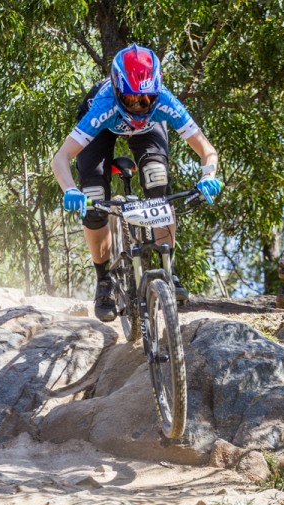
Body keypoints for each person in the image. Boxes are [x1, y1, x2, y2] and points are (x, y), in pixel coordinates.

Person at [52, 43, 222, 322]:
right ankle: (104, 280)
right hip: (103, 128)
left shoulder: (165, 102)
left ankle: (168, 269)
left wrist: (208, 175)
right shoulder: (104, 103)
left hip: (149, 131)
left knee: (158, 182)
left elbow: (207, 150)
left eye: (146, 99)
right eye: (130, 98)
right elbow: (61, 158)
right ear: (117, 89)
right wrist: (70, 189)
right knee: (93, 196)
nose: (138, 106)